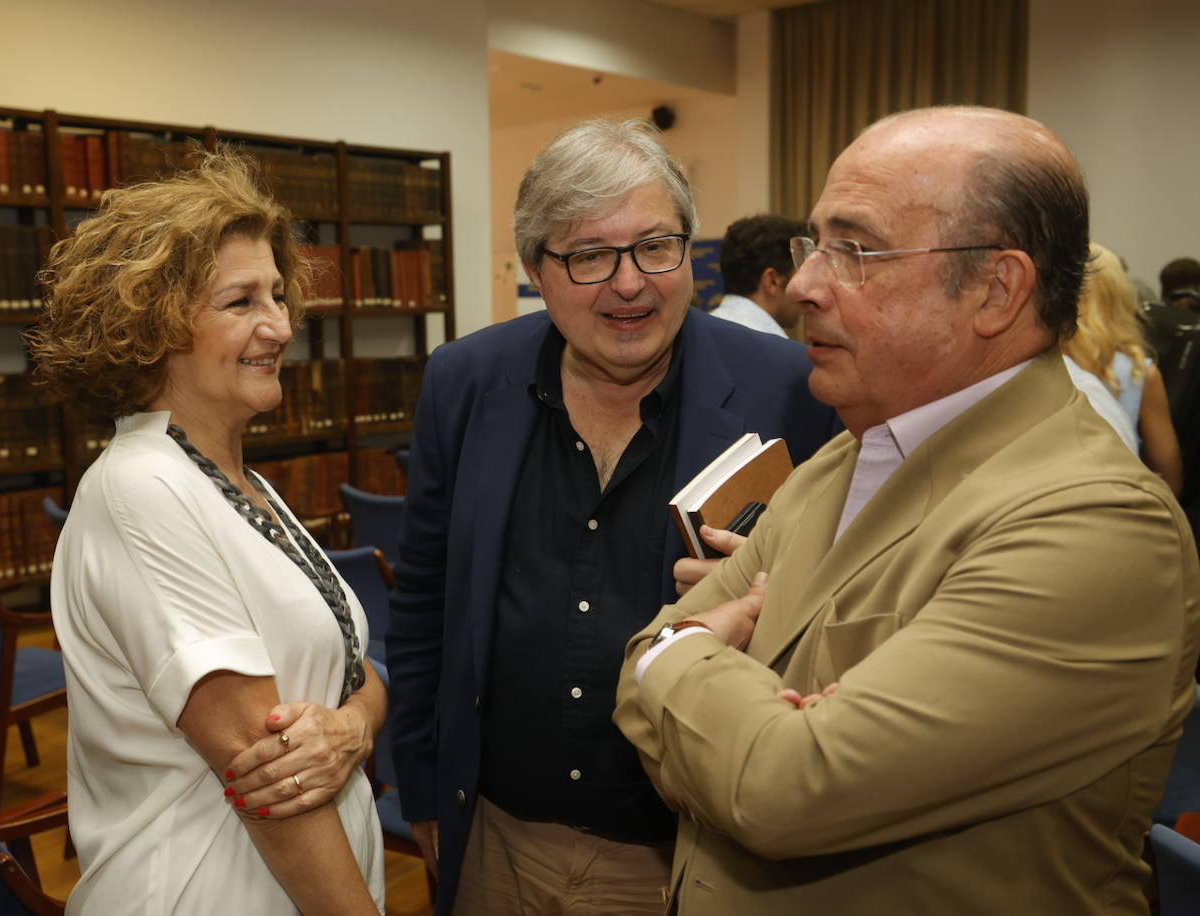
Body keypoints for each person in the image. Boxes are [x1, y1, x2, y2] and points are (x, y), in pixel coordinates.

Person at [615, 106, 1200, 915]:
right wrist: (732, 695)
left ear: (998, 289)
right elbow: (671, 704)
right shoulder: (842, 458)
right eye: (813, 246)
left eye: (855, 251)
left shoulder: (1095, 523)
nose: (810, 286)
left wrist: (672, 655)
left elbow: (783, 789)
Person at [385, 119, 841, 915]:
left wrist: (776, 593)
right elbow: (424, 601)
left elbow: (852, 608)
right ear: (536, 268)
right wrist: (424, 790)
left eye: (656, 247)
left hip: (695, 855)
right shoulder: (464, 383)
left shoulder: (793, 390)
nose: (630, 284)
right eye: (590, 256)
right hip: (497, 840)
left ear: (688, 251)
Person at [29, 150, 386, 915]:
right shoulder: (141, 490)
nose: (281, 325)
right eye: (242, 302)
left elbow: (354, 665)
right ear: (154, 324)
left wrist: (353, 724)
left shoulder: (238, 485)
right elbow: (272, 778)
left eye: (280, 296)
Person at [1064, 242, 1183, 493]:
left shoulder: (1036, 361)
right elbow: (1170, 481)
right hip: (1118, 511)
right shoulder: (1137, 374)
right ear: (1119, 298)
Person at [711, 214, 806, 337]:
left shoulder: (697, 336)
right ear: (772, 281)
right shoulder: (777, 350)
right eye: (800, 278)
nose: (806, 294)